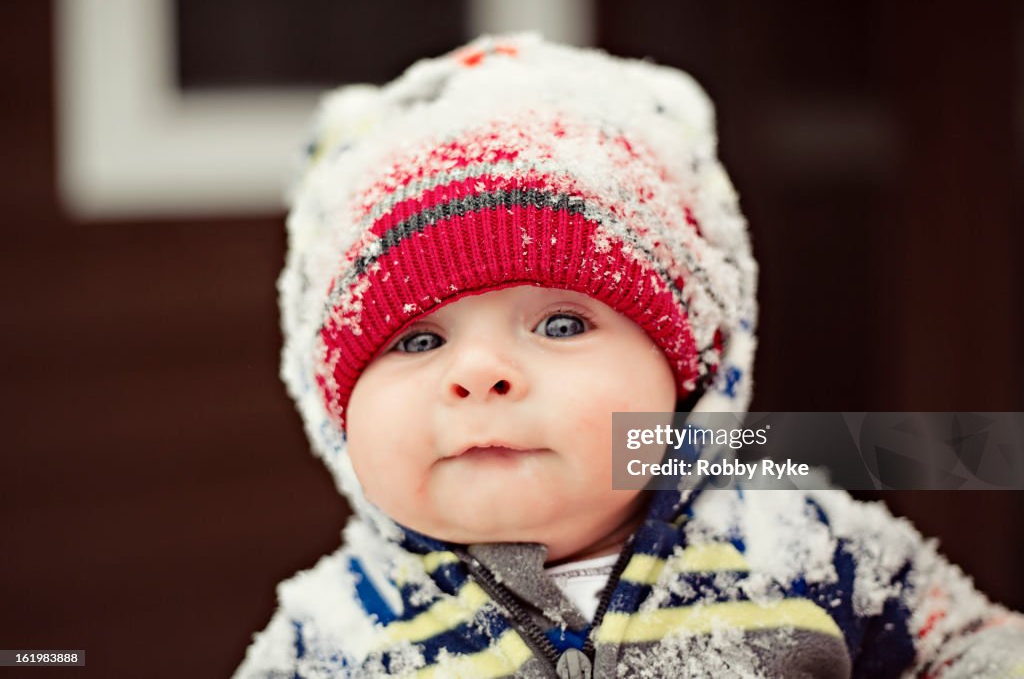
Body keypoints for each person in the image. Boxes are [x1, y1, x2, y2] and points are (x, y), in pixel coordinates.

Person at [234, 33, 1024, 678]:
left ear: (688, 380)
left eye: (563, 323)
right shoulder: (331, 637)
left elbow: (978, 647)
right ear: (337, 411)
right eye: (417, 339)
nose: (477, 372)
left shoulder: (809, 550)